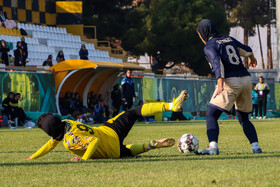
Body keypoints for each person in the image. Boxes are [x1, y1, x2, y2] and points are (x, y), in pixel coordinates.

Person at [24, 91, 187, 161]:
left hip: (112, 152)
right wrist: (32, 157)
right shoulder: (68, 123)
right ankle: (171, 106)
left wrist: (83, 159)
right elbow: (50, 144)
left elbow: (93, 142)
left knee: (128, 151)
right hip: (110, 131)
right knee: (133, 112)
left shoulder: (69, 141)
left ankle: (150, 146)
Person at [195, 19, 262, 155]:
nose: (200, 37)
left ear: (204, 33)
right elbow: (247, 49)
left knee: (211, 115)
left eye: (199, 34)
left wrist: (220, 83)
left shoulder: (209, 45)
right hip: (246, 79)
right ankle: (256, 147)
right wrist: (252, 58)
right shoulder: (228, 38)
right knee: (243, 118)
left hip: (230, 81)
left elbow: (217, 63)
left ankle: (213, 147)